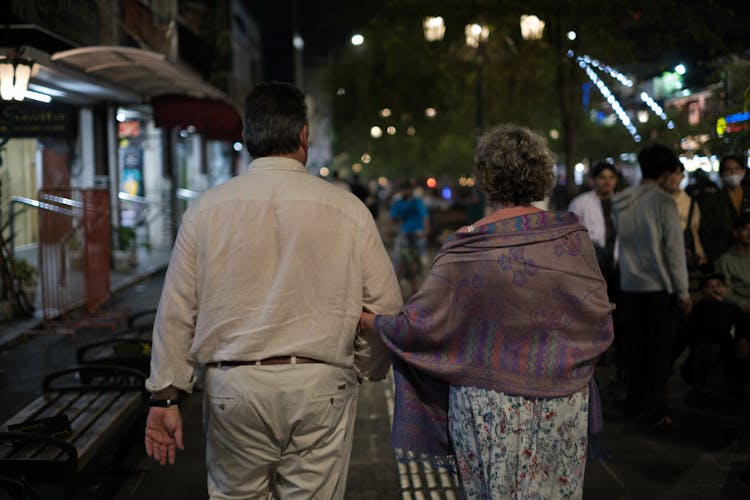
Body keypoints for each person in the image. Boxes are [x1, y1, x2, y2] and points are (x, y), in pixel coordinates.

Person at [143, 81, 403, 499]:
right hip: (321, 384)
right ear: (304, 135)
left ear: (246, 138)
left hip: (235, 388)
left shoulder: (205, 211)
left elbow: (176, 310)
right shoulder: (348, 209)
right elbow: (387, 308)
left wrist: (165, 397)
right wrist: (365, 368)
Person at [360, 124, 614, 498]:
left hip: (488, 408)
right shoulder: (571, 238)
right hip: (562, 400)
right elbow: (597, 314)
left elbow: (422, 324)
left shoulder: (468, 245)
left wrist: (371, 321)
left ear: (485, 177)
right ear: (541, 175)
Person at [612, 143, 691, 431]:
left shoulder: (621, 201)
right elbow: (673, 251)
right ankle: (655, 409)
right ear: (665, 171)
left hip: (630, 285)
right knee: (659, 353)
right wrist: (683, 292)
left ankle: (634, 403)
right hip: (658, 287)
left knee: (637, 349)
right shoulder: (664, 202)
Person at [682, 273, 748, 402]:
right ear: (702, 292)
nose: (715, 289)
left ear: (725, 289)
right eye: (709, 287)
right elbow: (711, 330)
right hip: (705, 348)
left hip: (728, 347)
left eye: (718, 285)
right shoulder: (699, 308)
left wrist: (743, 339)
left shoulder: (733, 308)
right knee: (710, 348)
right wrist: (716, 305)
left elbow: (743, 326)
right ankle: (706, 387)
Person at [698, 154, 750, 266]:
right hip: (722, 256)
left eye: (737, 169)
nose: (733, 173)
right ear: (721, 174)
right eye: (728, 169)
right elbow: (706, 232)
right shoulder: (712, 201)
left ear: (743, 171)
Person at [389, 178, 430, 275]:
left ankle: (424, 268)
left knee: (421, 255)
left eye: (407, 189)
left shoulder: (417, 202)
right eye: (403, 189)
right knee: (398, 256)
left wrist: (426, 230)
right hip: (405, 232)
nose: (404, 191)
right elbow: (392, 218)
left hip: (418, 232)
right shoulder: (398, 203)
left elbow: (425, 216)